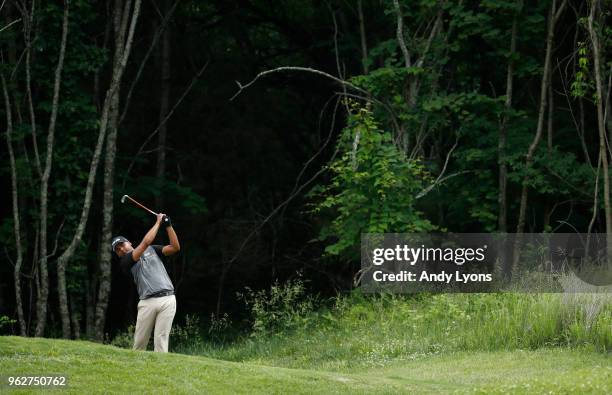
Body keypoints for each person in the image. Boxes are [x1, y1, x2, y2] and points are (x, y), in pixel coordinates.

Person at [112, 213, 180, 352]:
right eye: (117, 250)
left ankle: (160, 371)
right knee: (140, 342)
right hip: (147, 302)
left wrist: (168, 226)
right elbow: (145, 243)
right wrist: (158, 222)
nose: (121, 249)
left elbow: (175, 247)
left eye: (122, 245)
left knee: (161, 339)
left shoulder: (153, 250)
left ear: (129, 242)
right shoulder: (126, 262)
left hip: (168, 299)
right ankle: (136, 369)